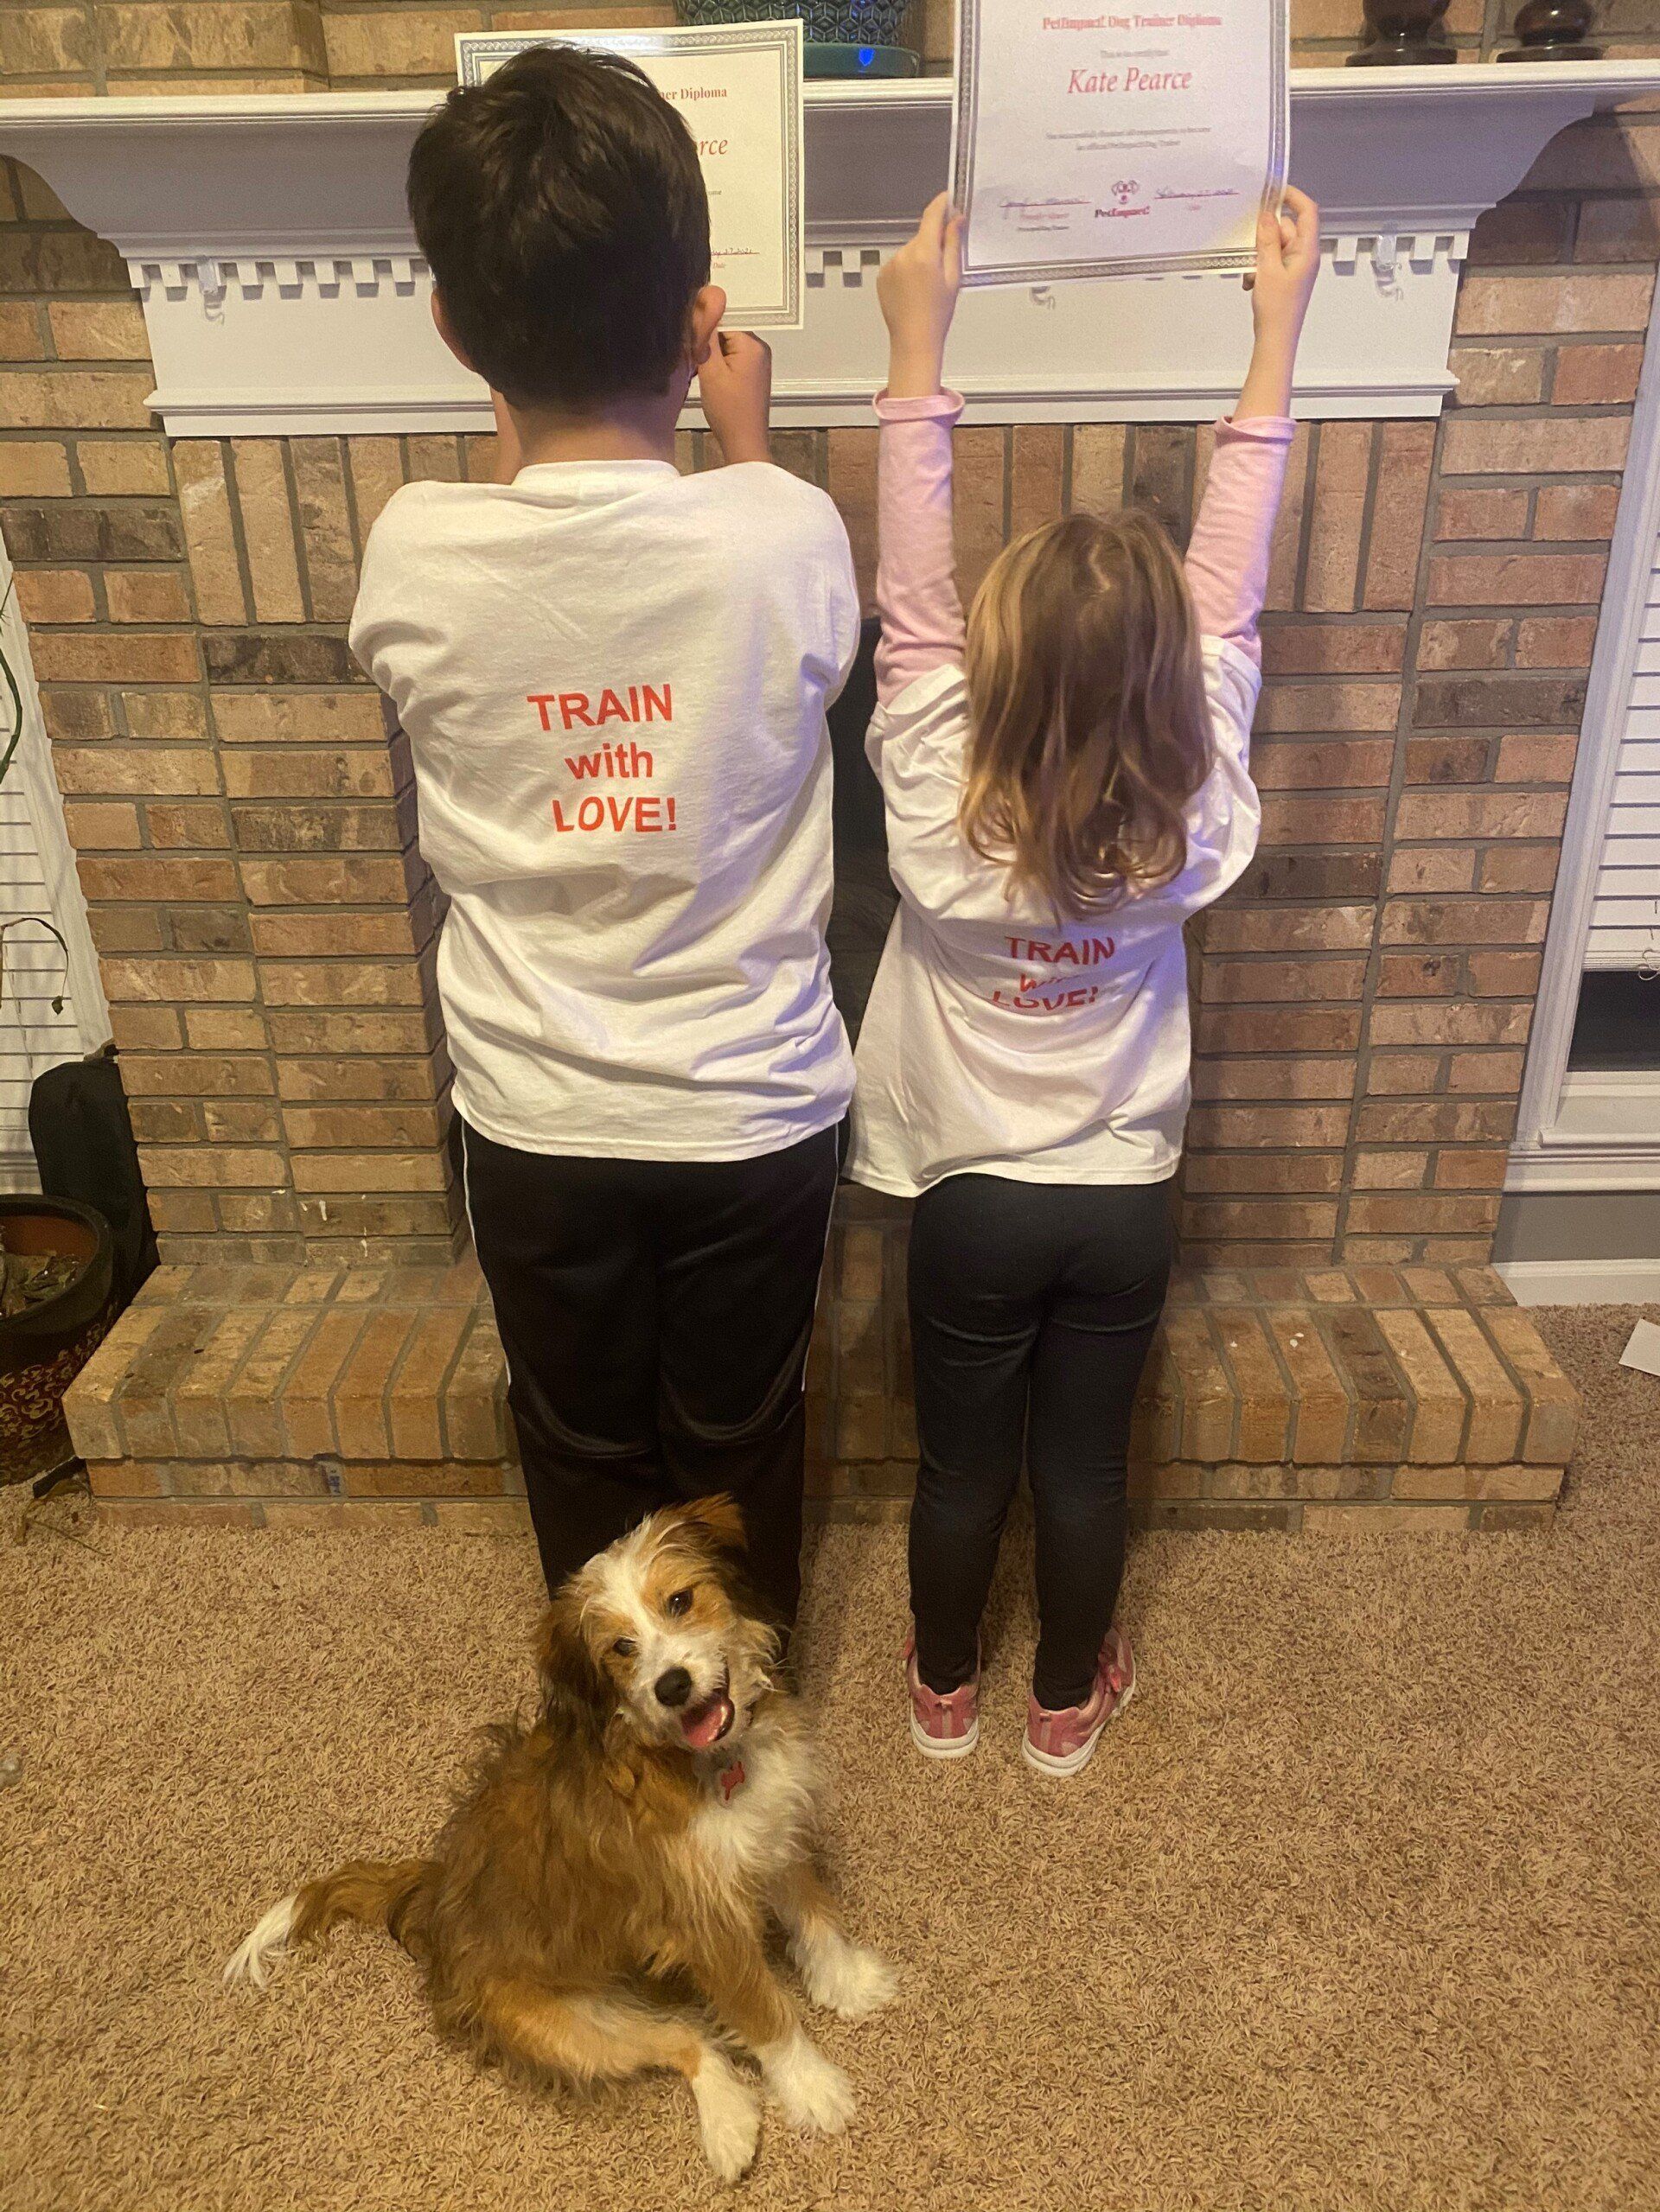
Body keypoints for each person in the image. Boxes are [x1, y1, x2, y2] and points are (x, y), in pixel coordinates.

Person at [349, 46, 859, 1628]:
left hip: (535, 1114)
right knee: (736, 1426)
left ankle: (612, 1707)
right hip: (751, 1112)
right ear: (699, 315)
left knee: (577, 1432)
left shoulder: (413, 550)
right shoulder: (786, 526)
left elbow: (552, 565)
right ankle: (729, 1695)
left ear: (452, 329)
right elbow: (757, 616)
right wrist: (746, 438)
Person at [849, 188, 1322, 1774]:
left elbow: (910, 598)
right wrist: (1276, 340)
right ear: (1180, 690)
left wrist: (918, 340)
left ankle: (938, 1695)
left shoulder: (931, 789)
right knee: (1087, 1473)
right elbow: (1229, 593)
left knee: (958, 1472)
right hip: (1122, 1192)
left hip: (973, 1196)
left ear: (985, 672)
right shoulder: (1196, 811)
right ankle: (1062, 1709)